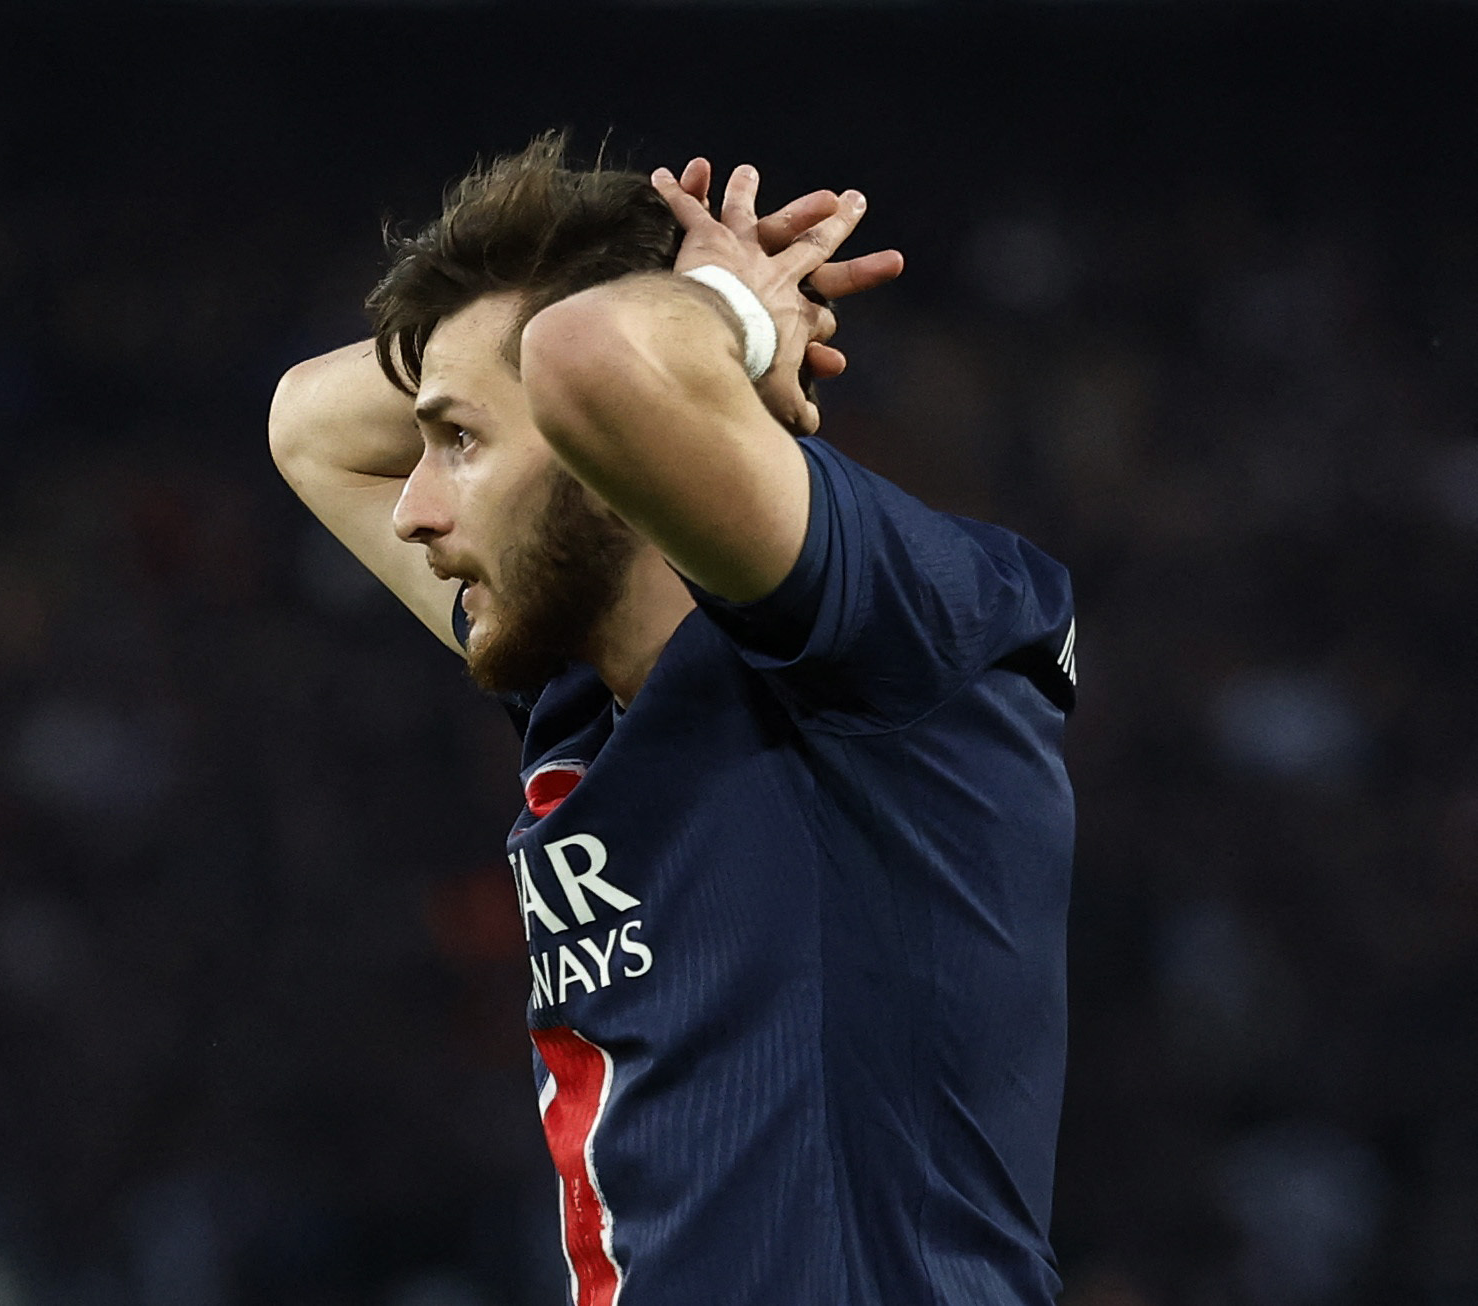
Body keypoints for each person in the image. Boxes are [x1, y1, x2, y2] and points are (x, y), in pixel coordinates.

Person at [269, 134, 1077, 1306]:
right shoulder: (578, 678)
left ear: (602, 458)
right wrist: (684, 325)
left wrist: (718, 319)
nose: (414, 510)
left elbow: (586, 356)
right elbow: (311, 423)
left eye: (460, 441)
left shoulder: (887, 641)